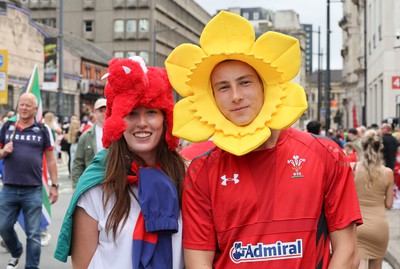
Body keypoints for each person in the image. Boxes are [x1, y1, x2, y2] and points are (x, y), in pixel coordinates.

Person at [165, 11, 362, 268]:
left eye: (245, 82)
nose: (235, 96)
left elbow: (347, 251)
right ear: (211, 96)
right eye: (223, 87)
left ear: (264, 86)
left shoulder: (326, 154)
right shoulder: (201, 172)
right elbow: (198, 261)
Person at [54, 56, 186, 268]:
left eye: (151, 112)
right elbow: (83, 265)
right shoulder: (97, 185)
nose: (142, 123)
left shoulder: (187, 179)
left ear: (165, 118)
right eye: (131, 114)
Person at [0, 92, 59, 269]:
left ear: (35, 109)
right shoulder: (7, 126)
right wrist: (3, 152)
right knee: (3, 227)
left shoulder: (42, 130)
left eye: (28, 105)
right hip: (9, 188)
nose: (24, 108)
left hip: (32, 190)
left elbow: (50, 159)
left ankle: (31, 267)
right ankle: (16, 251)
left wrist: (54, 185)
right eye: (21, 104)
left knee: (33, 234)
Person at [353, 129, 394, 269]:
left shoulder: (353, 169)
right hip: (379, 226)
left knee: (357, 263)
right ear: (380, 147)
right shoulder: (388, 173)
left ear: (362, 146)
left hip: (357, 225)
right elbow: (389, 204)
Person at [71, 98, 106, 188]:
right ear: (95, 113)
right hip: (92, 182)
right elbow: (78, 161)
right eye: (101, 111)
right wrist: (76, 185)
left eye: (107, 110)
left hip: (113, 181)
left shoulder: (118, 133)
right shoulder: (86, 136)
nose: (104, 113)